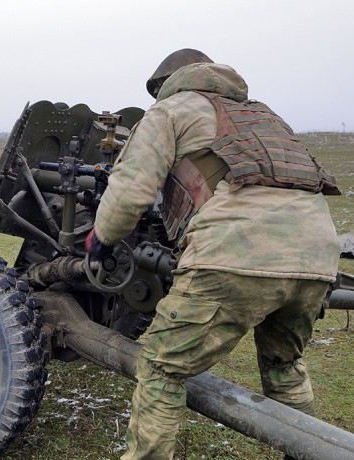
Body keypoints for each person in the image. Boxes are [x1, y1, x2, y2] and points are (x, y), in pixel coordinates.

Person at [85, 49, 342, 459]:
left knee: (161, 369)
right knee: (283, 365)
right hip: (316, 260)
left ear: (167, 82)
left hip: (236, 256)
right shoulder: (263, 115)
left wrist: (101, 239)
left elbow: (131, 189)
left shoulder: (170, 111)